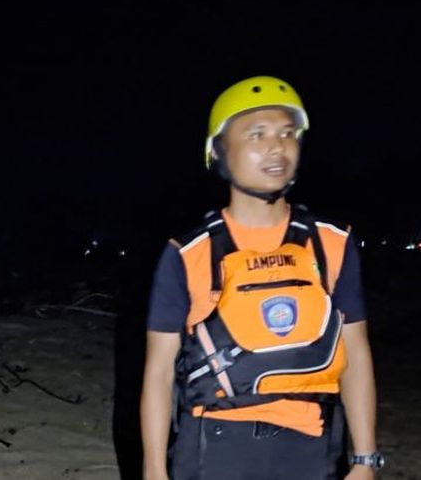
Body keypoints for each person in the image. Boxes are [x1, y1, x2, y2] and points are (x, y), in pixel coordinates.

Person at [140, 76, 381, 479]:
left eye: (288, 133)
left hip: (313, 444)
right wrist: (153, 470)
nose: (277, 146)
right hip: (212, 448)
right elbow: (160, 371)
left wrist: (365, 459)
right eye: (256, 134)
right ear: (218, 152)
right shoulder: (188, 252)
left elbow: (355, 353)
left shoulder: (332, 241)